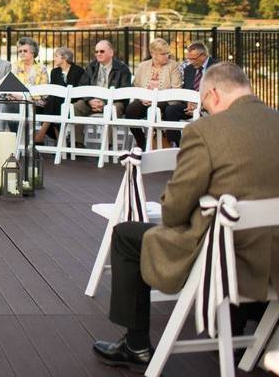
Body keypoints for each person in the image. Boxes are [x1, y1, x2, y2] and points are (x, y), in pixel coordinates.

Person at [93, 63, 279, 372]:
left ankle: (136, 345)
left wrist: (188, 205)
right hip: (274, 254)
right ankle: (241, 323)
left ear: (214, 94)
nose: (205, 110)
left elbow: (174, 211)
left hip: (226, 253)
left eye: (205, 104)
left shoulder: (205, 132)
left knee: (126, 235)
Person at [124, 38, 182, 150]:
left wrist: (156, 99)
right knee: (130, 111)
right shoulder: (143, 66)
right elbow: (136, 86)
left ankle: (165, 143)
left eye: (167, 53)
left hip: (165, 101)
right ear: (153, 54)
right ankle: (142, 142)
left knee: (154, 110)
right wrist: (141, 98)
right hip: (145, 100)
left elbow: (176, 89)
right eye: (163, 54)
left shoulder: (173, 66)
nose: (167, 56)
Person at [163, 42, 220, 145]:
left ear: (203, 55)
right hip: (190, 106)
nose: (191, 62)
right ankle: (178, 145)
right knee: (170, 110)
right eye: (189, 58)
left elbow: (218, 91)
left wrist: (200, 105)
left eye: (193, 59)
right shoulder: (189, 69)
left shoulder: (218, 68)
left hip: (208, 106)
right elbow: (185, 90)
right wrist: (189, 103)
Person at [36, 46, 84, 144]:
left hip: (72, 100)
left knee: (53, 101)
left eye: (56, 56)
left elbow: (77, 90)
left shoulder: (78, 71)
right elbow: (53, 90)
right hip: (56, 103)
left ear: (64, 58)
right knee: (48, 103)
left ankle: (43, 132)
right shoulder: (54, 72)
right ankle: (60, 139)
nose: (54, 58)